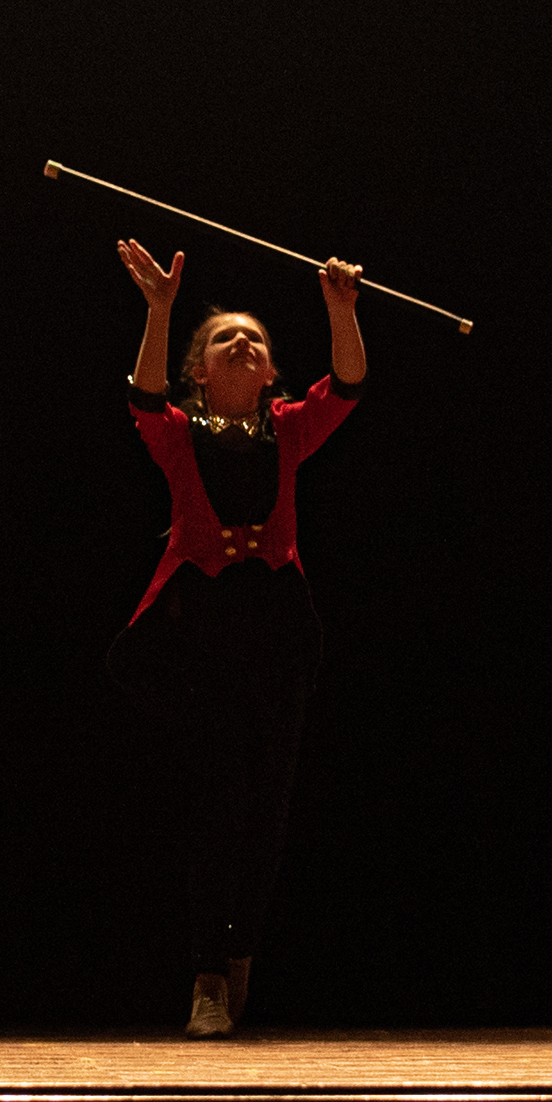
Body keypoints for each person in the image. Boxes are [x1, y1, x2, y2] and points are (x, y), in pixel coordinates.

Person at [108, 238, 367, 1038]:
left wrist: (340, 310)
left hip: (277, 633)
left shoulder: (286, 429)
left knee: (268, 810)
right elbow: (143, 398)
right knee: (220, 805)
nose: (242, 344)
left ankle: (243, 951)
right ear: (201, 369)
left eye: (253, 339)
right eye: (225, 337)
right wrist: (159, 311)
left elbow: (349, 385)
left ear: (269, 373)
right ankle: (209, 976)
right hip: (204, 636)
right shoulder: (178, 430)